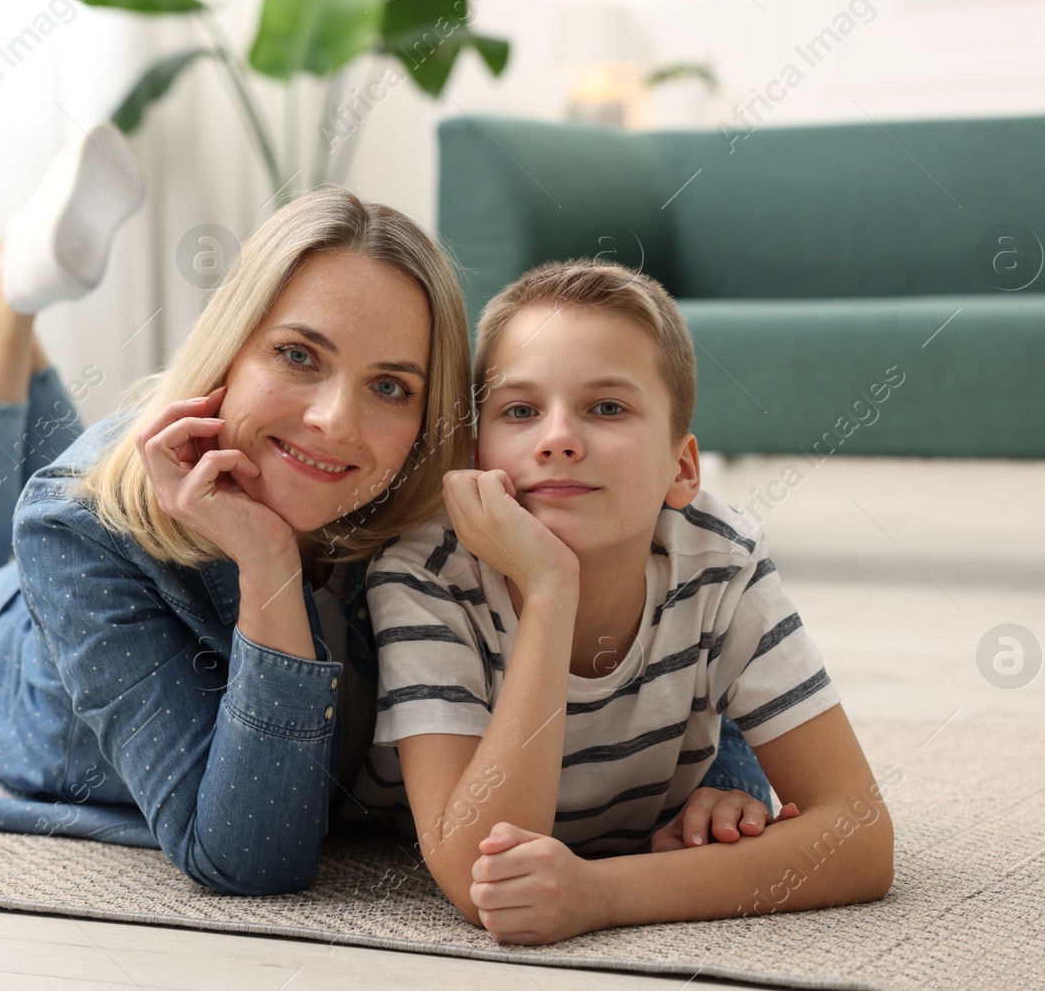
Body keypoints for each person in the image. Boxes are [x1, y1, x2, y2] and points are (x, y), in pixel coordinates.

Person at [0, 123, 777, 896]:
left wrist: (724, 773)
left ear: (433, 416)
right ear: (232, 347)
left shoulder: (437, 499)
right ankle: (1, 297)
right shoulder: (74, 526)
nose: (337, 420)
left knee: (99, 464)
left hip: (148, 487)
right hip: (8, 656)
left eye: (390, 385)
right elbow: (247, 854)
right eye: (298, 355)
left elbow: (653, 604)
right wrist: (269, 566)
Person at [368, 259, 895, 941]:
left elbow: (860, 838)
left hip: (647, 782)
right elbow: (483, 875)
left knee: (733, 788)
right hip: (381, 805)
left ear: (681, 469)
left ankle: (725, 761)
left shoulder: (720, 558)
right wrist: (551, 588)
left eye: (606, 407)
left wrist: (603, 893)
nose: (557, 437)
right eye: (521, 410)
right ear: (476, 454)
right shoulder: (424, 575)